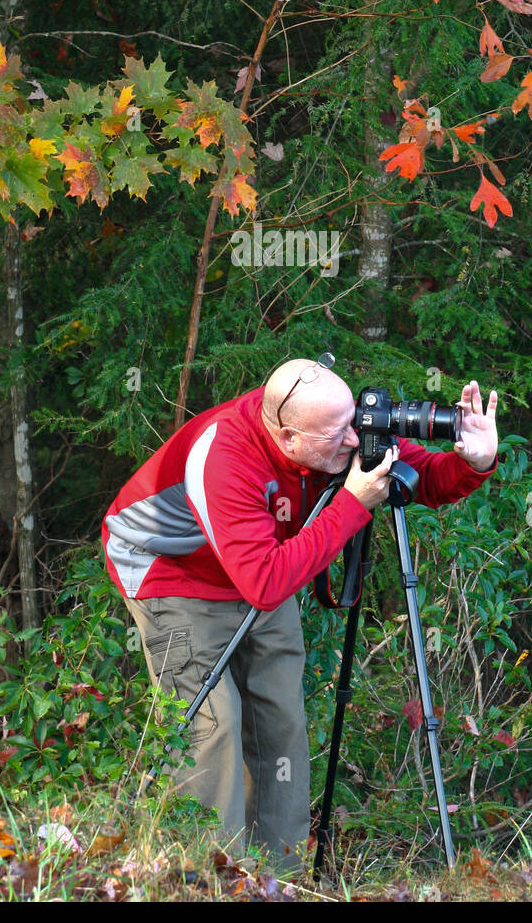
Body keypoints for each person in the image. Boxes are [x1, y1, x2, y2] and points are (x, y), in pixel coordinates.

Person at [101, 357, 499, 874]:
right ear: (288, 438)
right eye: (338, 435)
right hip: (171, 569)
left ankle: (278, 878)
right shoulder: (225, 456)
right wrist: (353, 504)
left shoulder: (331, 427)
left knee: (280, 720)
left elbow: (417, 476)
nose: (354, 442)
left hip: (258, 563)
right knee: (210, 725)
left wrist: (475, 461)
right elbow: (264, 583)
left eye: (354, 423)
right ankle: (209, 878)